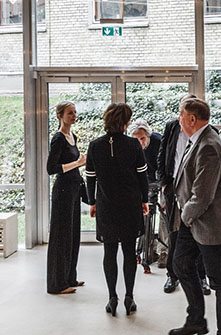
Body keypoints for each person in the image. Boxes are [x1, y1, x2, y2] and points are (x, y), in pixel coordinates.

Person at [170, 97, 221, 335]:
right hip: (193, 221)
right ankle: (196, 321)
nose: (178, 118)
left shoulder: (209, 145)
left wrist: (184, 216)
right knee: (180, 264)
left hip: (209, 225)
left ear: (191, 118)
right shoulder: (196, 139)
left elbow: (202, 195)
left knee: (219, 281)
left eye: (181, 114)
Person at [86, 102, 149, 317]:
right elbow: (142, 176)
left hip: (106, 205)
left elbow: (90, 177)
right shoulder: (133, 145)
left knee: (109, 252)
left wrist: (92, 202)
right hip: (130, 205)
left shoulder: (95, 145)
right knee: (129, 252)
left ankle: (112, 297)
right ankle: (129, 297)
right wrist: (144, 200)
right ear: (125, 122)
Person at [159, 95, 209, 298]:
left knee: (198, 235)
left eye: (183, 113)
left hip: (195, 191)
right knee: (174, 233)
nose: (180, 116)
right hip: (173, 188)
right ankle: (172, 274)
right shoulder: (171, 127)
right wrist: (163, 183)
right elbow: (163, 154)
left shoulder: (208, 133)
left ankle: (201, 277)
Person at [46, 101, 88, 295]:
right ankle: (57, 283)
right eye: (70, 113)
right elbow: (51, 169)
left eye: (74, 112)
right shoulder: (58, 139)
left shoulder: (73, 136)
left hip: (73, 190)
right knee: (61, 236)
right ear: (60, 116)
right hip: (63, 191)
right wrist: (77, 163)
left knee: (73, 234)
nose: (73, 115)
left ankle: (70, 277)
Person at [131, 119, 163, 273]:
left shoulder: (158, 141)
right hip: (145, 181)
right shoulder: (133, 145)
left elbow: (164, 166)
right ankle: (143, 250)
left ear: (148, 136)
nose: (140, 143)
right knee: (145, 215)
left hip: (161, 180)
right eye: (136, 139)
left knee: (163, 215)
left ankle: (163, 252)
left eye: (142, 139)